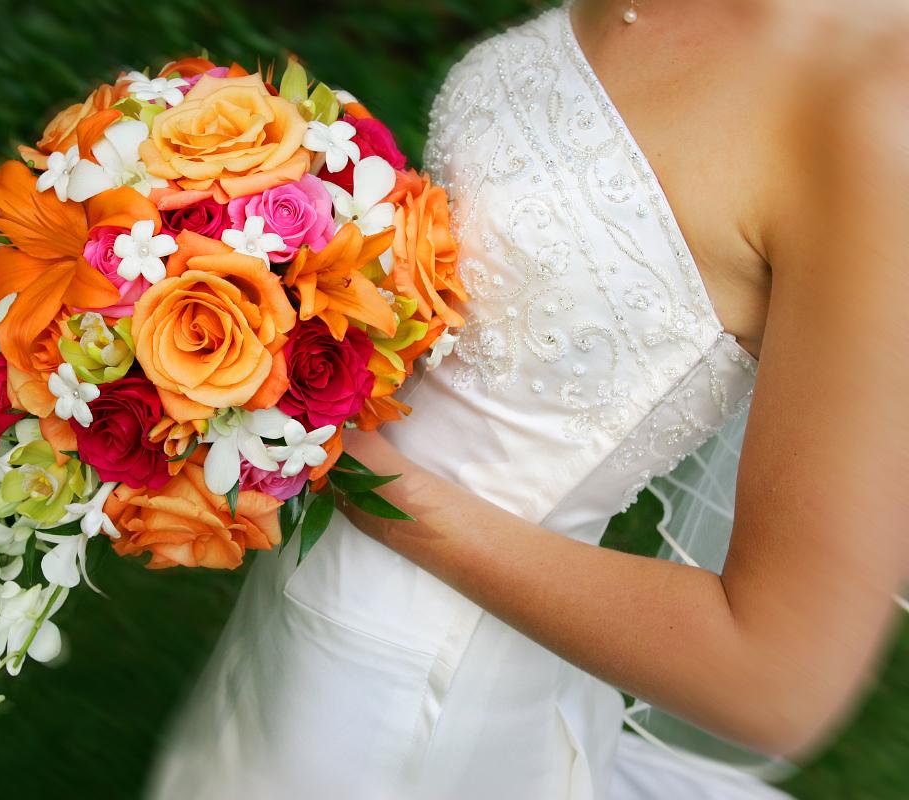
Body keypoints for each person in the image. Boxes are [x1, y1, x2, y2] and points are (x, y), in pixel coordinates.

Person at [145, 1, 909, 797]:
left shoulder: (875, 106)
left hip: (417, 693)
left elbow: (772, 675)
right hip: (303, 605)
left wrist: (368, 479)